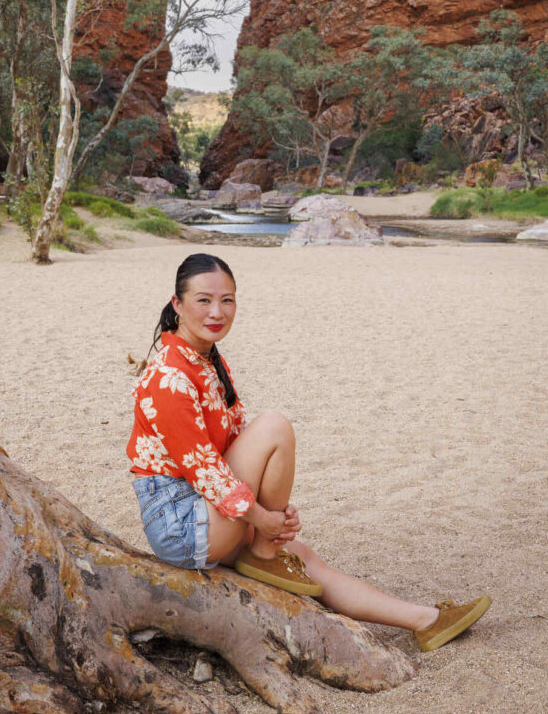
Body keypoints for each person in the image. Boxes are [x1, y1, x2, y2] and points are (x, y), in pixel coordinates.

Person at [126, 253, 491, 652]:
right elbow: (206, 472)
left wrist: (273, 510)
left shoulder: (207, 358)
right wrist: (263, 517)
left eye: (228, 300)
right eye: (204, 300)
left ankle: (427, 621)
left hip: (211, 508)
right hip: (183, 524)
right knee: (275, 426)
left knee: (306, 560)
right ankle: (263, 552)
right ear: (177, 305)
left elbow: (234, 440)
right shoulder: (169, 376)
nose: (218, 312)